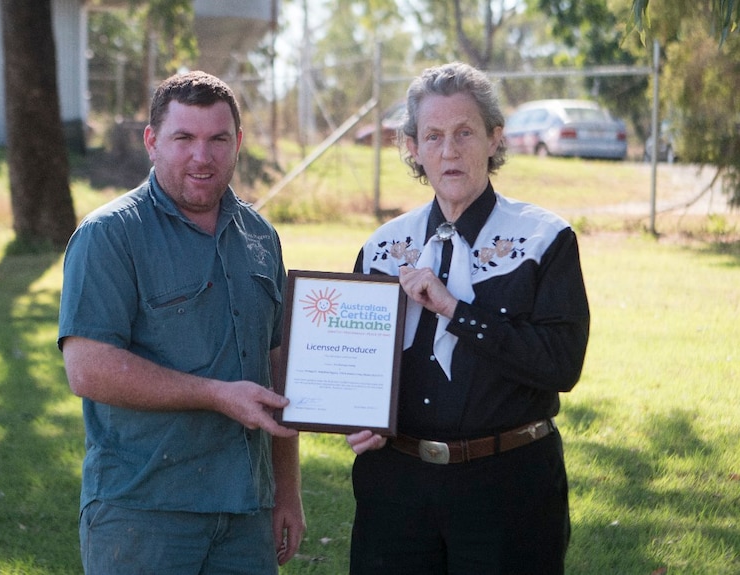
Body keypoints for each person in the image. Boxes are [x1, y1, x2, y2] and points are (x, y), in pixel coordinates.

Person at [346, 62, 590, 574]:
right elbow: (355, 367)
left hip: (509, 487)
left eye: (464, 133)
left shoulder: (545, 240)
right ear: (412, 147)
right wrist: (358, 418)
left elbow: (561, 365)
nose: (449, 150)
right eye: (432, 136)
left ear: (495, 138)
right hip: (396, 489)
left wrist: (456, 310)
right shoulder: (382, 248)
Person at [58, 70, 305, 574]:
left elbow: (280, 369)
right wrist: (216, 394)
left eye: (218, 139)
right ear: (152, 142)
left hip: (246, 513)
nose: (202, 156)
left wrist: (287, 492)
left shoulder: (260, 235)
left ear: (237, 143)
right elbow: (88, 368)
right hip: (144, 511)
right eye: (183, 138)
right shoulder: (109, 235)